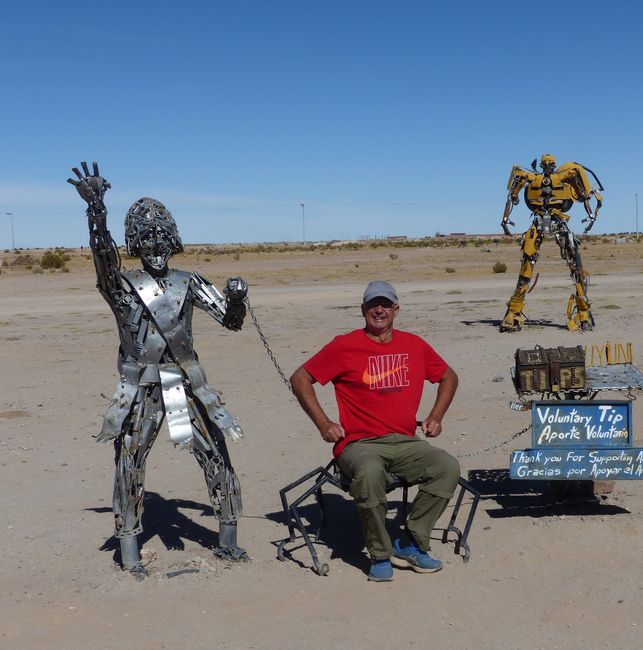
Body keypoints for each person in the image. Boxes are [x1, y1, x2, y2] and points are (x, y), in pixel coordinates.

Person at [68, 162, 250, 577]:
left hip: (186, 384)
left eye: (161, 237)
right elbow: (103, 260)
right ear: (134, 243)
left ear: (173, 240)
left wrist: (238, 299)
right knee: (130, 464)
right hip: (139, 389)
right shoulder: (121, 285)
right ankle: (130, 551)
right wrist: (96, 210)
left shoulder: (190, 281)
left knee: (216, 456)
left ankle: (228, 540)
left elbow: (231, 319)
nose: (155, 245)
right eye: (146, 237)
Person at [290, 280, 460, 582]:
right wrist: (323, 424)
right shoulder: (344, 346)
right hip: (359, 444)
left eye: (385, 305)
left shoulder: (414, 345)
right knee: (369, 472)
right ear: (363, 309)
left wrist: (436, 416)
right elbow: (300, 378)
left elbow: (449, 376)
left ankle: (411, 542)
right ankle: (380, 554)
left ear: (396, 310)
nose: (379, 310)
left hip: (405, 441)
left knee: (446, 466)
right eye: (372, 305)